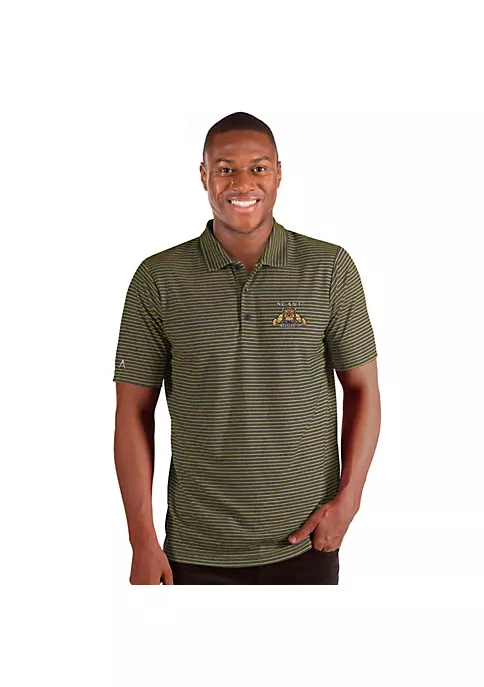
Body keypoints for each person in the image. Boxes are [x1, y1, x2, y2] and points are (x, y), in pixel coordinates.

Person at [112, 111, 381, 585]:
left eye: (258, 168)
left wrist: (348, 502)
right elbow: (132, 412)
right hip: (195, 547)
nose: (242, 183)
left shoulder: (329, 268)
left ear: (278, 174)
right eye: (225, 168)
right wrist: (142, 541)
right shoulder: (158, 279)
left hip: (308, 538)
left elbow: (363, 389)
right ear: (204, 176)